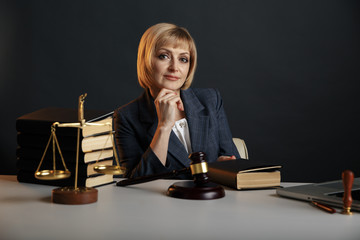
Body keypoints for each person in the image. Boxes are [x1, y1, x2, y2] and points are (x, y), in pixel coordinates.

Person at [113, 23, 240, 179]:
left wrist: (222, 165)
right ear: (146, 61)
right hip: (162, 202)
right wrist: (164, 127)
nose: (175, 67)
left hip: (211, 200)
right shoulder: (127, 117)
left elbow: (234, 161)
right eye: (164, 56)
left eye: (183, 59)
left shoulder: (210, 100)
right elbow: (135, 182)